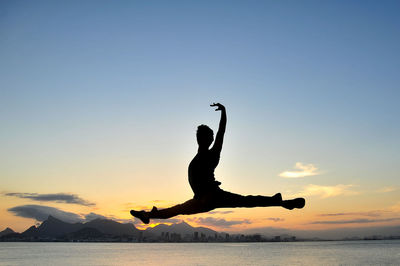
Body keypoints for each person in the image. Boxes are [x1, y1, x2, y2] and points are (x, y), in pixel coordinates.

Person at [131, 103, 305, 224]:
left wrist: (224, 112)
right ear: (202, 138)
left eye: (203, 136)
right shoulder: (204, 155)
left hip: (208, 197)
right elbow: (220, 134)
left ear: (204, 139)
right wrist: (223, 112)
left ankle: (281, 202)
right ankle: (147, 215)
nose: (202, 138)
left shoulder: (209, 155)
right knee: (246, 201)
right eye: (202, 136)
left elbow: (221, 132)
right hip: (204, 198)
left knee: (245, 201)